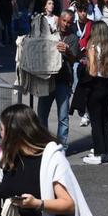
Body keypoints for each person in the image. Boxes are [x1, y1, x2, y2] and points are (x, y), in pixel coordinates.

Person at [37, 10, 79, 147]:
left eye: (69, 22)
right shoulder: (49, 34)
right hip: (47, 80)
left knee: (63, 118)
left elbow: (74, 60)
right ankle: (44, 145)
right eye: (64, 21)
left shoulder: (73, 38)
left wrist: (67, 51)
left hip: (63, 81)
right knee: (42, 115)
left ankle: (62, 146)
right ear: (59, 19)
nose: (66, 24)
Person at [82, 21, 108, 165]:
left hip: (96, 85)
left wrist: (88, 60)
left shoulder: (93, 47)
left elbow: (92, 71)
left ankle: (98, 153)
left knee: (96, 122)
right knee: (104, 120)